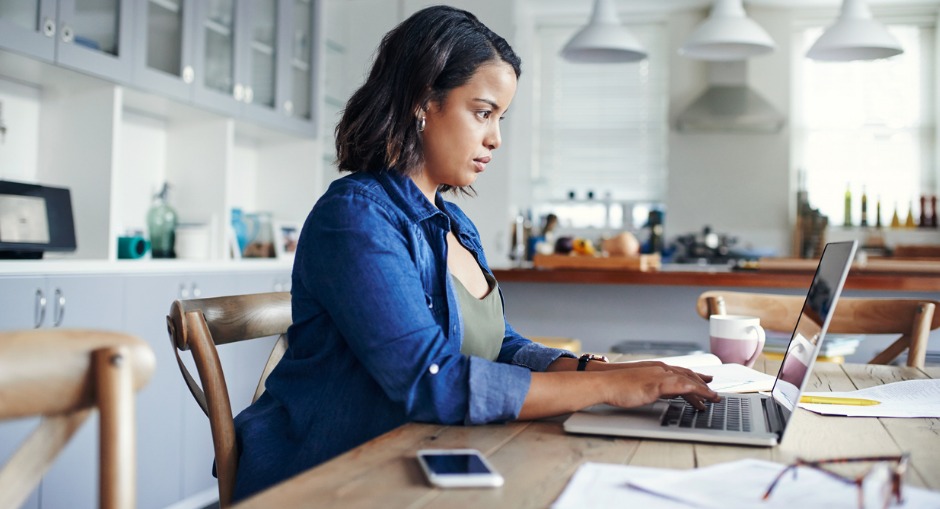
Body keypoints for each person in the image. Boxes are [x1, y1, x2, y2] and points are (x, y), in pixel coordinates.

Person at [232, 5, 718, 501]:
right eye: (483, 112)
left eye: (500, 117)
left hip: (422, 456)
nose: (496, 138)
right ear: (423, 101)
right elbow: (430, 379)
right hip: (328, 476)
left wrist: (609, 372)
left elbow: (498, 346)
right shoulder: (355, 218)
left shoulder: (454, 224)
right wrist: (605, 390)